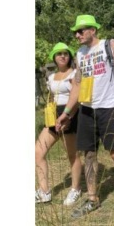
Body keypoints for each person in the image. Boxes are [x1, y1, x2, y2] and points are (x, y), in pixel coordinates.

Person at [56, 15, 114, 218]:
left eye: (81, 30)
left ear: (93, 30)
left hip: (109, 107)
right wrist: (66, 113)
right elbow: (77, 86)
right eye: (75, 32)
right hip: (87, 110)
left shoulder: (110, 45)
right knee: (89, 154)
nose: (77, 35)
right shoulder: (79, 54)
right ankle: (92, 199)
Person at [35, 43, 82, 206]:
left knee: (72, 155)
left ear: (69, 56)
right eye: (59, 54)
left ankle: (76, 189)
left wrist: (68, 116)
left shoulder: (76, 73)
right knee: (38, 151)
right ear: (54, 57)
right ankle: (44, 191)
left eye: (66, 53)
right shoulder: (51, 77)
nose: (62, 56)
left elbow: (78, 98)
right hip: (53, 116)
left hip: (70, 115)